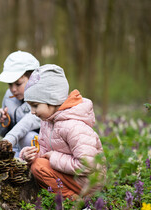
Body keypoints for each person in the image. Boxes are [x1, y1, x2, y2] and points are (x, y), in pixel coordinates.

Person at [20, 64, 106, 199]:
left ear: (52, 100)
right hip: (70, 175)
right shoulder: (48, 121)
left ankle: (74, 199)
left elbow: (88, 165)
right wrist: (30, 155)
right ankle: (73, 197)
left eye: (35, 105)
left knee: (39, 167)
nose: (32, 111)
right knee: (36, 164)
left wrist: (54, 158)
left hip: (89, 181)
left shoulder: (74, 126)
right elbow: (44, 151)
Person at [0, 51, 41, 157]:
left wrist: (7, 141)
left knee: (28, 137)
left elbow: (27, 122)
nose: (13, 89)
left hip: (37, 147)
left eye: (18, 84)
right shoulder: (8, 96)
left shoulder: (41, 97)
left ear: (33, 79)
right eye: (10, 84)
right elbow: (2, 133)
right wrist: (2, 122)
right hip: (15, 147)